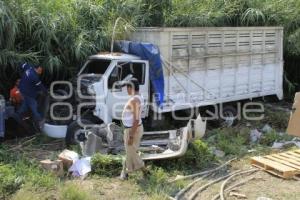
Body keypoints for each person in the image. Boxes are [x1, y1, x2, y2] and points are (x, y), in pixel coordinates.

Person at [120, 78, 149, 180]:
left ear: (131, 87)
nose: (126, 90)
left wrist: (131, 135)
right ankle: (125, 173)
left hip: (133, 129)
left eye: (127, 88)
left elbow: (136, 120)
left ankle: (145, 171)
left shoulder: (134, 100)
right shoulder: (139, 97)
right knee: (129, 152)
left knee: (131, 152)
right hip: (134, 128)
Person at [17, 63, 47, 132]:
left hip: (22, 90)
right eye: (40, 70)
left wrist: (21, 75)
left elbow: (21, 64)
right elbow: (41, 87)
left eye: (41, 70)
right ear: (36, 69)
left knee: (25, 105)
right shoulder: (34, 77)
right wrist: (46, 93)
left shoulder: (28, 67)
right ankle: (41, 122)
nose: (41, 72)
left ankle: (19, 115)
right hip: (28, 94)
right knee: (34, 107)